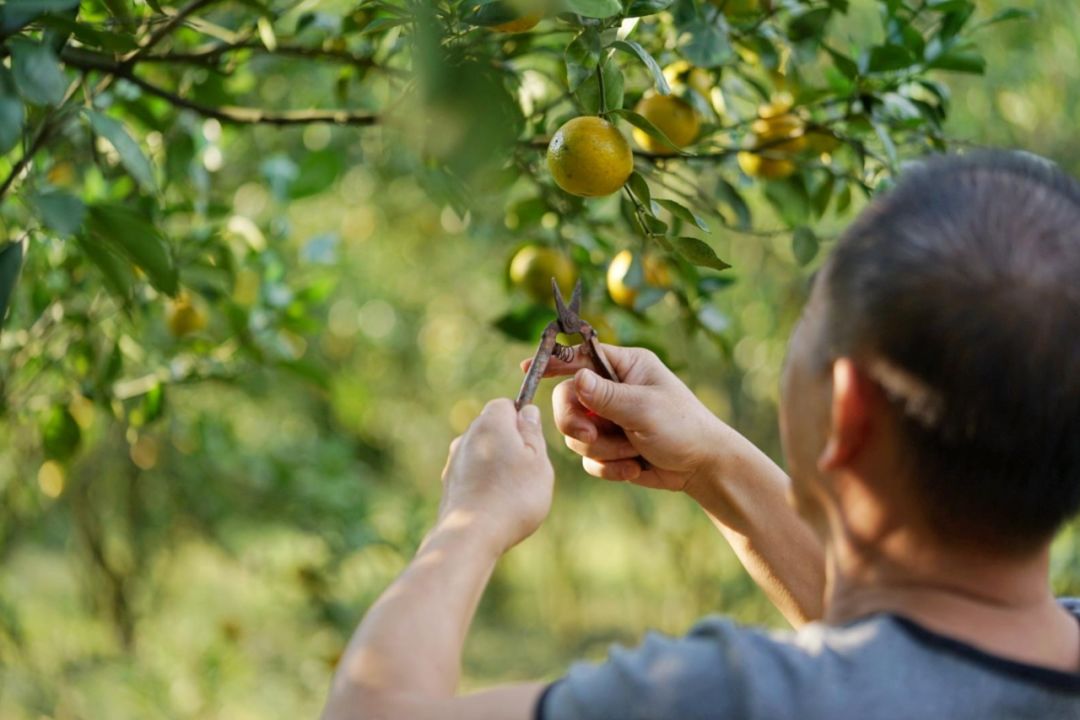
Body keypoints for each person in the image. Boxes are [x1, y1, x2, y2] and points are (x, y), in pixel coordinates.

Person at [321, 151, 1080, 719]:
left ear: (848, 411)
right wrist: (709, 462)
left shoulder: (723, 698)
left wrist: (469, 523)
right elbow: (904, 660)